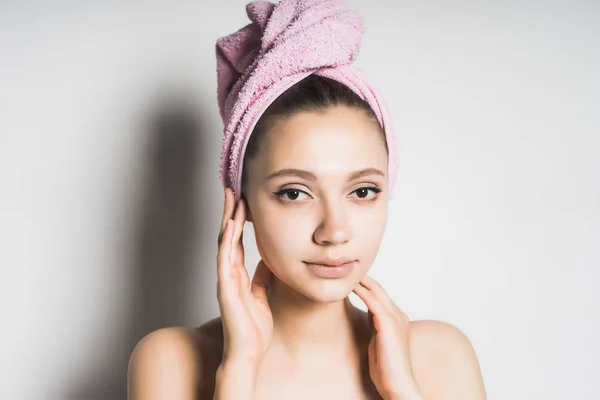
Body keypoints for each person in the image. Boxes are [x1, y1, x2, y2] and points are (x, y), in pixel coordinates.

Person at [128, 1, 487, 399]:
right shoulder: (172, 359)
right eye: (295, 193)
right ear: (241, 203)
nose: (334, 231)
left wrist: (402, 389)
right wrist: (240, 369)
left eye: (363, 191)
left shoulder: (439, 356)